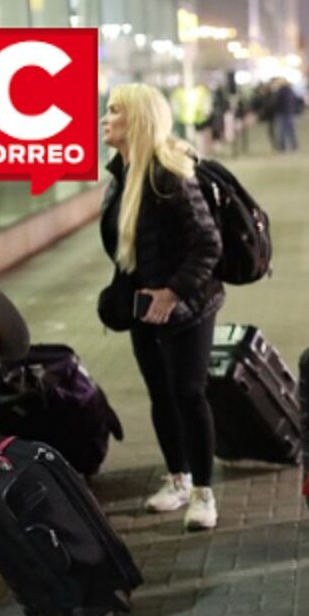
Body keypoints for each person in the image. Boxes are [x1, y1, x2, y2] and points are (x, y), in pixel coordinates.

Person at [99, 83, 224, 531]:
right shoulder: (123, 172)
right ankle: (178, 479)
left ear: (137, 119)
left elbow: (208, 244)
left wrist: (173, 294)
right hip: (143, 307)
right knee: (161, 395)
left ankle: (204, 494)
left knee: (189, 393)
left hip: (187, 306)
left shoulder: (168, 172)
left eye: (114, 111)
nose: (105, 118)